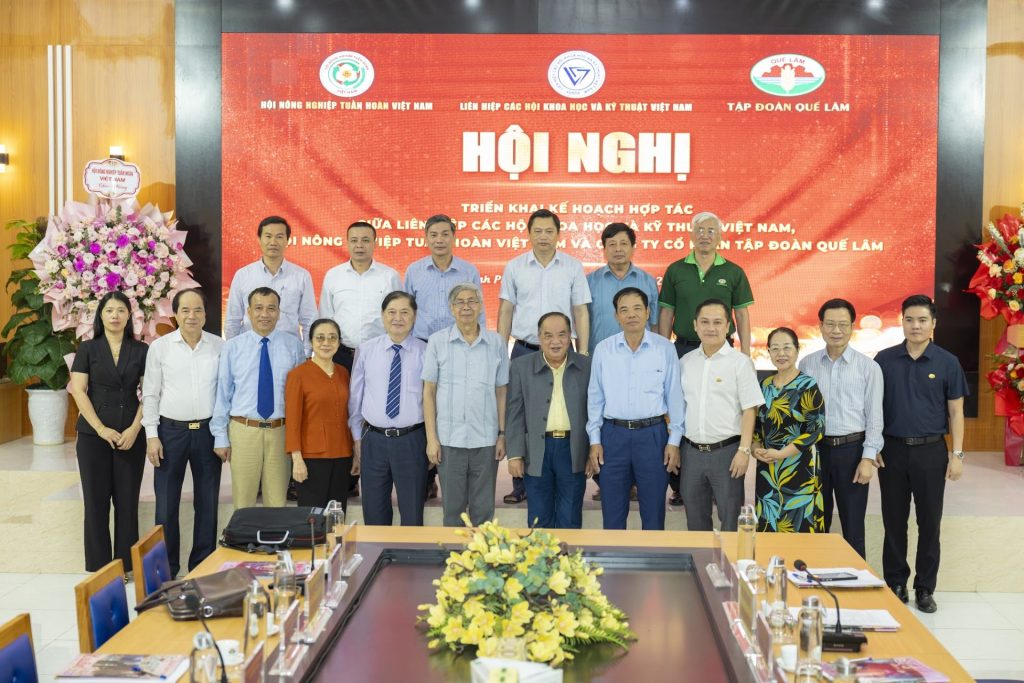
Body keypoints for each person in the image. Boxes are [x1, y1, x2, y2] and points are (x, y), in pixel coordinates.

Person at [874, 294, 968, 613]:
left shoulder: (947, 362)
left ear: (933, 324)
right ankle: (896, 583)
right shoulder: (884, 360)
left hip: (931, 452)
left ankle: (925, 587)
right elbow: (873, 408)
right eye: (910, 319)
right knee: (894, 521)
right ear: (901, 322)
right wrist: (874, 447)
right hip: (892, 451)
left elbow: (956, 412)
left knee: (929, 523)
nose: (916, 326)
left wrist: (957, 454)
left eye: (922, 320)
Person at [498, 209, 592, 504]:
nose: (543, 237)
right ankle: (520, 483)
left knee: (565, 412)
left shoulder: (572, 267)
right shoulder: (514, 267)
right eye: (537, 231)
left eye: (549, 231)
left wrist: (583, 351)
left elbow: (580, 311)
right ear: (528, 234)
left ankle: (567, 475)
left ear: (558, 234)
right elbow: (506, 310)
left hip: (563, 350)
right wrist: (501, 351)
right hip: (525, 349)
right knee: (520, 413)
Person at [141, 288, 224, 578]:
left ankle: (202, 566)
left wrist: (223, 434)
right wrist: (152, 435)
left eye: (198, 310)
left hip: (208, 432)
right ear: (175, 314)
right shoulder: (160, 347)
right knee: (166, 504)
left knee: (207, 502)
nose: (192, 316)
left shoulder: (219, 346)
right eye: (185, 310)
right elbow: (150, 394)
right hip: (170, 432)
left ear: (205, 314)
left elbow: (225, 393)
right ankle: (167, 569)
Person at [586, 287, 683, 530]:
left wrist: (674, 441)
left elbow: (674, 396)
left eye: (637, 308)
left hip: (652, 436)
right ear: (616, 316)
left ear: (648, 312)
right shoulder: (604, 349)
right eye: (624, 310)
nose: (631, 315)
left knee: (653, 514)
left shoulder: (665, 348)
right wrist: (594, 440)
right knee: (612, 514)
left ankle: (652, 554)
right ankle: (615, 554)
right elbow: (595, 398)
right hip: (613, 436)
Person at [403, 214, 484, 500]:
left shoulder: (468, 271)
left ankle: (452, 473)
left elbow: (478, 312)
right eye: (433, 235)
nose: (439, 240)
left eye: (444, 234)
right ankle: (426, 477)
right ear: (426, 238)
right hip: (421, 347)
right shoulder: (414, 271)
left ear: (454, 236)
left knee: (451, 407)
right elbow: (406, 310)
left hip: (457, 347)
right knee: (421, 407)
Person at [69, 291, 148, 572]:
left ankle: (125, 566)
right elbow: (78, 391)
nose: (115, 316)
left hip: (130, 435)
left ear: (129, 316)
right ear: (100, 316)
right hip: (94, 437)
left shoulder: (141, 350)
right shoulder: (88, 349)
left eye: (121, 310)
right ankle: (100, 569)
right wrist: (101, 429)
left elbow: (150, 394)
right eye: (109, 310)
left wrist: (135, 428)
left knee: (127, 504)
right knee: (95, 503)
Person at [799, 299, 884, 556]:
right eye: (830, 324)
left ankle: (856, 580)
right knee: (816, 522)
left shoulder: (869, 367)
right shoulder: (807, 364)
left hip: (852, 451)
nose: (836, 330)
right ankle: (815, 575)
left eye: (843, 325)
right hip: (816, 451)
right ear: (820, 326)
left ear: (852, 327)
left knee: (853, 526)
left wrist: (868, 458)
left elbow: (875, 417)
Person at [585, 222, 660, 503]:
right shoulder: (590, 282)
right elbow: (583, 322)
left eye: (623, 243)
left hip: (641, 363)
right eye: (612, 244)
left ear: (633, 247)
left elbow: (655, 324)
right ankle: (608, 480)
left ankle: (637, 482)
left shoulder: (647, 281)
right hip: (602, 363)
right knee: (605, 420)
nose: (618, 249)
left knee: (638, 419)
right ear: (603, 249)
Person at [423, 283, 509, 527]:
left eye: (472, 301)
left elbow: (502, 391)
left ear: (481, 306)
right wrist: (432, 439)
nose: (466, 307)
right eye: (460, 302)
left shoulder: (496, 343)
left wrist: (502, 434)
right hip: (449, 441)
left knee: (484, 512)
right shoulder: (437, 342)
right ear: (452, 309)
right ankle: (453, 553)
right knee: (453, 512)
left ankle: (484, 553)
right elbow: (429, 392)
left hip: (486, 440)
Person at [211, 287, 305, 508]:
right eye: (258, 308)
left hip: (280, 432)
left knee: (277, 504)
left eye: (271, 308)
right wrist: (220, 436)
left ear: (279, 312)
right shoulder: (232, 347)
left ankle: (273, 533)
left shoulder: (294, 345)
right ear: (249, 312)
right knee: (243, 504)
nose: (265, 314)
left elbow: (299, 397)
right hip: (244, 430)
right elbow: (223, 393)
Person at [679, 298, 764, 531]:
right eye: (704, 322)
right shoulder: (685, 362)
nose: (711, 328)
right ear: (695, 325)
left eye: (717, 322)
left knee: (731, 522)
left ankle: (731, 558)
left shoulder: (740, 363)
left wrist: (744, 451)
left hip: (727, 453)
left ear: (728, 326)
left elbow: (750, 409)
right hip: (691, 453)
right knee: (695, 522)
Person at [349, 292, 430, 526]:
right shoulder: (366, 350)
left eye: (405, 312)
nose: (398, 318)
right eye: (392, 312)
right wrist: (357, 438)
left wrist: (432, 440)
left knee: (412, 514)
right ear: (382, 316)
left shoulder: (426, 351)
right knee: (374, 514)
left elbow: (432, 399)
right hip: (373, 440)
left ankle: (410, 550)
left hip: (412, 440)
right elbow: (356, 397)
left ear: (414, 316)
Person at [506, 312, 591, 529]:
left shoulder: (587, 366)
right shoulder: (521, 367)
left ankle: (568, 553)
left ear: (570, 336)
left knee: (570, 517)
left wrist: (592, 450)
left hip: (573, 450)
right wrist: (515, 454)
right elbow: (514, 413)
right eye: (548, 335)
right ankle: (539, 553)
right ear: (539, 337)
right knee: (539, 518)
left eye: (562, 335)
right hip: (536, 450)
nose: (555, 341)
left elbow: (594, 412)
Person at [753, 327, 826, 533]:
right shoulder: (763, 385)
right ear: (768, 352)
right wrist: (755, 449)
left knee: (799, 527)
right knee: (768, 526)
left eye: (787, 348)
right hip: (768, 467)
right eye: (775, 348)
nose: (781, 354)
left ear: (797, 350)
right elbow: (756, 427)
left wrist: (782, 453)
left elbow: (816, 429)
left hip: (799, 467)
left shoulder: (807, 385)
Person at [658, 211, 754, 357]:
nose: (705, 236)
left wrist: (745, 353)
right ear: (691, 236)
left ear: (720, 237)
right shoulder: (675, 270)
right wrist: (664, 351)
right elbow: (666, 313)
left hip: (722, 348)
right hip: (683, 349)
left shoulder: (734, 271)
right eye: (700, 231)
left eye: (711, 231)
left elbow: (741, 314)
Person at [284, 319, 355, 509]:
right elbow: (293, 420)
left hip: (342, 455)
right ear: (311, 341)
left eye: (332, 338)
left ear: (339, 342)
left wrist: (355, 453)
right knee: (312, 517)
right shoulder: (298, 375)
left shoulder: (343, 373)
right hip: (311, 457)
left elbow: (348, 414)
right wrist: (296, 459)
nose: (326, 343)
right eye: (320, 338)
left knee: (337, 514)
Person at [224, 215, 317, 356]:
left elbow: (309, 319)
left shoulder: (301, 276)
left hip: (289, 351)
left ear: (287, 240)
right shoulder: (243, 275)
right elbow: (233, 320)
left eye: (279, 237)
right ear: (259, 239)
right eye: (268, 236)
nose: (273, 242)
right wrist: (233, 352)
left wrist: (306, 354)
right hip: (249, 351)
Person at [319, 221, 402, 372]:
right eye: (354, 240)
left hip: (380, 354)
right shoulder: (333, 275)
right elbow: (326, 317)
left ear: (374, 243)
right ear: (347, 243)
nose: (359, 245)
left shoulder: (390, 276)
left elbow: (399, 317)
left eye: (365, 240)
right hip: (340, 354)